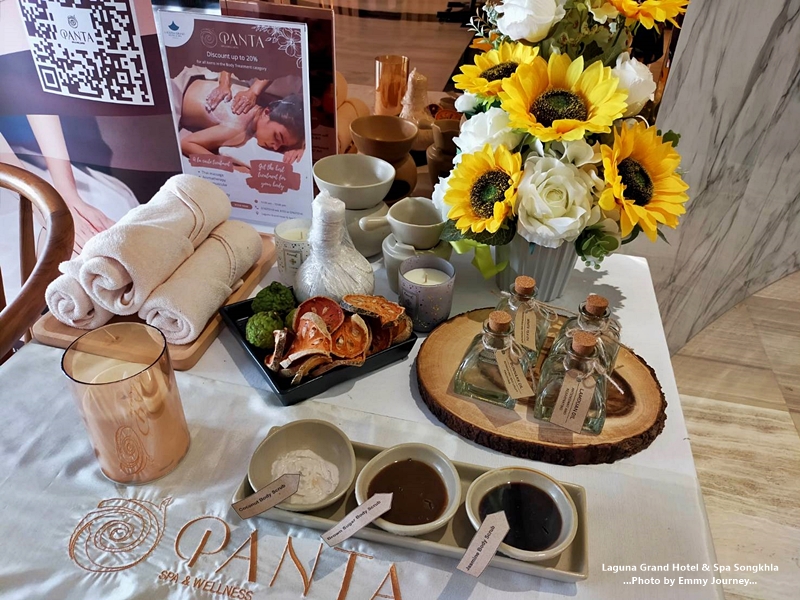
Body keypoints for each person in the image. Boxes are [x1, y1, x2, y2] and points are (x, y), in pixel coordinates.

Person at [175, 68, 306, 165]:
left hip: (189, 78)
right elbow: (186, 143)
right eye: (277, 137)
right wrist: (229, 167)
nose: (275, 147)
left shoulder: (264, 103)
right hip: (175, 93)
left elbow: (296, 111)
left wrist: (301, 146)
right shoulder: (237, 129)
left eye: (281, 146)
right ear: (266, 113)